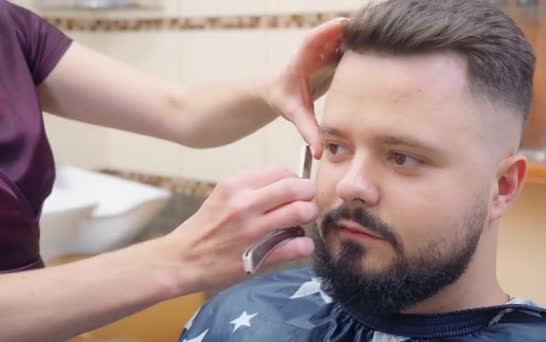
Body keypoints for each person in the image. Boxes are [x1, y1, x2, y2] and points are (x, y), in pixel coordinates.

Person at [179, 0, 546, 341]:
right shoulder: (238, 317)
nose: (351, 185)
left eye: (402, 157)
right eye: (336, 146)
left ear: (502, 187)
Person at [0, 0, 346, 340]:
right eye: (337, 147)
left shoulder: (10, 29)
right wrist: (180, 258)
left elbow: (180, 110)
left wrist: (274, 88)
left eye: (399, 156)